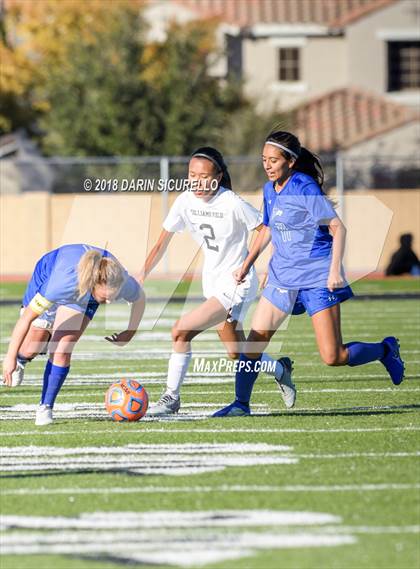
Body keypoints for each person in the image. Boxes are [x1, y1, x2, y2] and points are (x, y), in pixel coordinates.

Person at [214, 130, 405, 417]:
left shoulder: (304, 188)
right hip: (282, 277)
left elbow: (337, 228)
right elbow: (267, 228)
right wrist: (247, 263)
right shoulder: (269, 189)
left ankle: (386, 350)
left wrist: (333, 272)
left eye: (273, 160)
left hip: (317, 277)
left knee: (333, 356)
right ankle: (241, 404)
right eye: (264, 160)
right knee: (253, 345)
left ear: (290, 161)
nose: (267, 165)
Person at [142, 146, 295, 416]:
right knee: (237, 354)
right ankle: (280, 369)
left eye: (204, 176)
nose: (197, 182)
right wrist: (141, 274)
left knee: (180, 330)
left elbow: (267, 230)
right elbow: (161, 242)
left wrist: (269, 266)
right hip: (212, 284)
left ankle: (171, 397)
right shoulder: (185, 201)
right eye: (192, 175)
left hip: (236, 285)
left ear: (219, 176)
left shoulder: (232, 202)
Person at [2, 244, 145, 425]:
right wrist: (11, 357)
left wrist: (130, 331)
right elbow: (26, 319)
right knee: (31, 347)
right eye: (105, 298)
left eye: (113, 297)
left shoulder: (121, 281)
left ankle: (45, 407)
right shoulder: (59, 284)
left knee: (62, 348)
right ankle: (25, 358)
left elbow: (140, 298)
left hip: (83, 295)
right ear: (94, 284)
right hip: (50, 273)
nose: (108, 302)